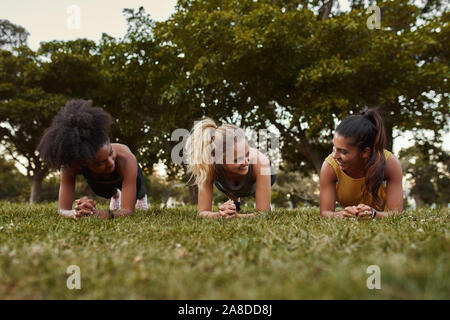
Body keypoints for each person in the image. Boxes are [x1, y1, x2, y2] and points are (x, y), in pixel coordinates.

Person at [38, 99, 148, 219]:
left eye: (110, 153)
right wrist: (76, 213)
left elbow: (127, 212)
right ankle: (116, 195)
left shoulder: (126, 159)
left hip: (127, 175)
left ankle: (141, 196)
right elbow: (63, 209)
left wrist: (100, 215)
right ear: (82, 163)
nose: (110, 162)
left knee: (137, 186)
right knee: (101, 190)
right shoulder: (72, 167)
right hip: (99, 180)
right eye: (100, 162)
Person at [319, 108, 403, 219]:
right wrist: (343, 215)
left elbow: (396, 214)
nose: (334, 156)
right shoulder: (330, 166)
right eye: (334, 148)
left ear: (365, 152)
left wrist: (373, 214)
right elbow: (325, 212)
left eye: (343, 151)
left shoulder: (390, 164)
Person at [185, 118, 276, 218]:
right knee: (230, 185)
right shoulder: (210, 166)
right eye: (238, 159)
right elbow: (203, 212)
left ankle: (259, 196)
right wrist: (220, 215)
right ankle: (235, 201)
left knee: (256, 191)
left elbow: (263, 214)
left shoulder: (261, 163)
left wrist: (236, 216)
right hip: (228, 184)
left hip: (257, 180)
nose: (246, 162)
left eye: (247, 154)